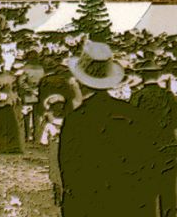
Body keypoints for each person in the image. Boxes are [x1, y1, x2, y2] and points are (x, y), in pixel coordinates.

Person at [59, 38, 164, 216]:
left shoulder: (76, 119)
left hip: (90, 203)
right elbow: (149, 162)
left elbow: (69, 169)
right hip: (129, 201)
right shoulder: (133, 113)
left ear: (81, 81)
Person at [129, 60, 177, 217]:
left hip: (145, 151)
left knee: (147, 193)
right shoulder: (168, 96)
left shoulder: (137, 97)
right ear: (157, 75)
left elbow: (130, 126)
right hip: (168, 150)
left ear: (142, 75)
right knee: (169, 193)